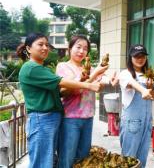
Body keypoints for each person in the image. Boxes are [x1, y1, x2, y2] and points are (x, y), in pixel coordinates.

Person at [17, 33, 103, 168]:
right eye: (40, 44)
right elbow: (62, 82)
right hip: (42, 119)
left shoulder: (42, 69)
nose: (45, 48)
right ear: (28, 48)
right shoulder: (31, 68)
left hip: (50, 118)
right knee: (43, 162)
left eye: (47, 45)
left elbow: (61, 92)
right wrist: (89, 84)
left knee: (49, 160)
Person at [55, 35, 117, 168]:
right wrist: (94, 76)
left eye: (85, 48)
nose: (81, 51)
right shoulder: (63, 66)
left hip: (88, 117)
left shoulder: (88, 68)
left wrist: (109, 80)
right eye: (78, 47)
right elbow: (68, 90)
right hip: (70, 118)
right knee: (67, 158)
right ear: (70, 48)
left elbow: (98, 84)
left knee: (83, 159)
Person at [118, 44, 154, 168]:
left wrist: (151, 88)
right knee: (128, 159)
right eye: (136, 56)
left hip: (147, 122)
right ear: (130, 58)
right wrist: (144, 90)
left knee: (142, 158)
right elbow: (131, 83)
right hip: (132, 123)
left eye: (142, 56)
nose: (140, 59)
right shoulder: (125, 73)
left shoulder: (150, 75)